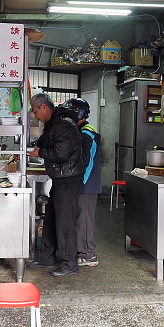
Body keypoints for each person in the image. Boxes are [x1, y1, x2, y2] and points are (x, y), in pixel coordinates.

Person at [26, 93, 84, 277]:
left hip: (68, 179)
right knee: (51, 220)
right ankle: (47, 258)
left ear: (43, 107)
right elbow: (43, 142)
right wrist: (31, 146)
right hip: (59, 179)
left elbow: (61, 154)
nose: (35, 115)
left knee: (65, 223)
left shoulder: (64, 124)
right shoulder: (52, 124)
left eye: (35, 111)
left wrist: (40, 152)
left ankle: (69, 263)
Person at [64, 98, 101, 268]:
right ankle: (82, 252)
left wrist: (79, 183)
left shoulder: (88, 134)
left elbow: (88, 162)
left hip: (86, 185)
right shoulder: (80, 131)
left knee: (85, 221)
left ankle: (88, 255)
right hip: (82, 183)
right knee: (80, 220)